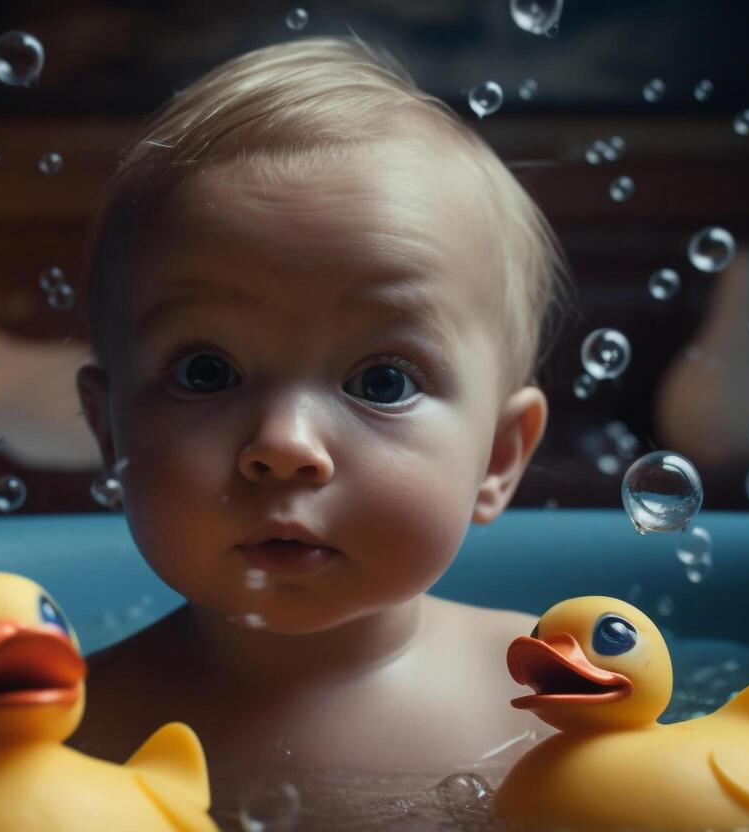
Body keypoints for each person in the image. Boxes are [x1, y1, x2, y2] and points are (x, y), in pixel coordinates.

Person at [72, 37, 566, 775]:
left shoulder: (553, 694)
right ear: (112, 434)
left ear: (497, 456)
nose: (284, 443)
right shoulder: (68, 726)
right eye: (207, 373)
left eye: (382, 383)